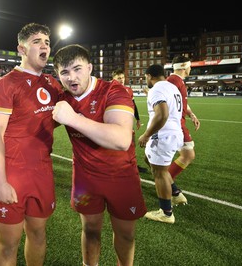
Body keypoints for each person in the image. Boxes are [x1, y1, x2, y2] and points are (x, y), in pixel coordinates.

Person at [52, 44, 147, 266]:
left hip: (121, 177)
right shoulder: (62, 97)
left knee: (126, 234)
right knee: (90, 230)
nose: (72, 77)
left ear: (90, 67)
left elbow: (121, 140)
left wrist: (73, 118)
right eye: (64, 72)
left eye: (77, 69)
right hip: (86, 179)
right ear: (58, 75)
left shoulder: (114, 91)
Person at [0, 22, 62, 266]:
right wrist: (0, 180)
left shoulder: (52, 84)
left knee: (38, 234)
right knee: (9, 244)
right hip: (12, 171)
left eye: (47, 42)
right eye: (37, 42)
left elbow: (56, 119)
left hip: (42, 171)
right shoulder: (6, 84)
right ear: (21, 49)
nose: (44, 46)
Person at [138, 64, 183, 224]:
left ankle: (166, 213)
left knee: (159, 172)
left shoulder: (157, 89)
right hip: (174, 133)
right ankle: (176, 193)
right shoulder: (172, 87)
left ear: (149, 76)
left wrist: (146, 134)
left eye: (145, 77)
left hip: (163, 135)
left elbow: (162, 114)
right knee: (148, 160)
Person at [166, 55, 201, 206]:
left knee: (187, 154)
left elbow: (183, 103)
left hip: (179, 123)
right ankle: (167, 182)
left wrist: (191, 114)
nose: (190, 68)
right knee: (187, 155)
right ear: (183, 67)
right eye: (189, 66)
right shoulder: (173, 81)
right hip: (174, 124)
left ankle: (167, 182)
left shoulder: (178, 81)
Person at [112, 69, 148, 174]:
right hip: (115, 122)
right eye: (119, 78)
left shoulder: (128, 90)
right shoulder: (109, 89)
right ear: (113, 79)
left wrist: (138, 119)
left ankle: (131, 164)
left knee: (131, 143)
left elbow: (133, 105)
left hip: (128, 122)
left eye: (123, 77)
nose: (121, 80)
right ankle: (118, 164)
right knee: (117, 144)